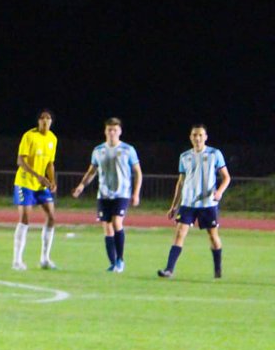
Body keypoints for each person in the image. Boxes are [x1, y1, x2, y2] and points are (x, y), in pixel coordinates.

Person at [158, 124, 230, 279]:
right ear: (190, 137)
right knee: (179, 234)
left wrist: (219, 192)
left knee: (212, 236)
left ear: (205, 137)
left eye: (200, 135)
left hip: (208, 204)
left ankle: (217, 269)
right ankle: (169, 270)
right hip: (188, 204)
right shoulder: (184, 156)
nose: (197, 138)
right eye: (194, 135)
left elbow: (226, 177)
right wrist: (174, 206)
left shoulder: (214, 154)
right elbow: (181, 182)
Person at [72, 117, 142, 272]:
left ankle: (120, 259)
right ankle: (113, 263)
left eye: (115, 130)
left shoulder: (128, 150)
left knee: (117, 223)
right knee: (107, 228)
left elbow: (138, 172)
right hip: (103, 195)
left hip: (121, 193)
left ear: (120, 132)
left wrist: (136, 193)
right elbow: (92, 171)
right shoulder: (98, 150)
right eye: (109, 130)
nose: (112, 133)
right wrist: (81, 186)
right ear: (105, 131)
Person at [11, 110, 59, 270]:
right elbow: (20, 161)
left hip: (41, 185)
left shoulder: (53, 139)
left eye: (48, 118)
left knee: (51, 217)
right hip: (25, 183)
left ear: (51, 121)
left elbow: (50, 163)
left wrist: (52, 180)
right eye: (42, 118)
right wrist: (38, 176)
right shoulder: (29, 136)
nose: (45, 121)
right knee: (25, 218)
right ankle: (17, 261)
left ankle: (45, 259)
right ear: (38, 121)